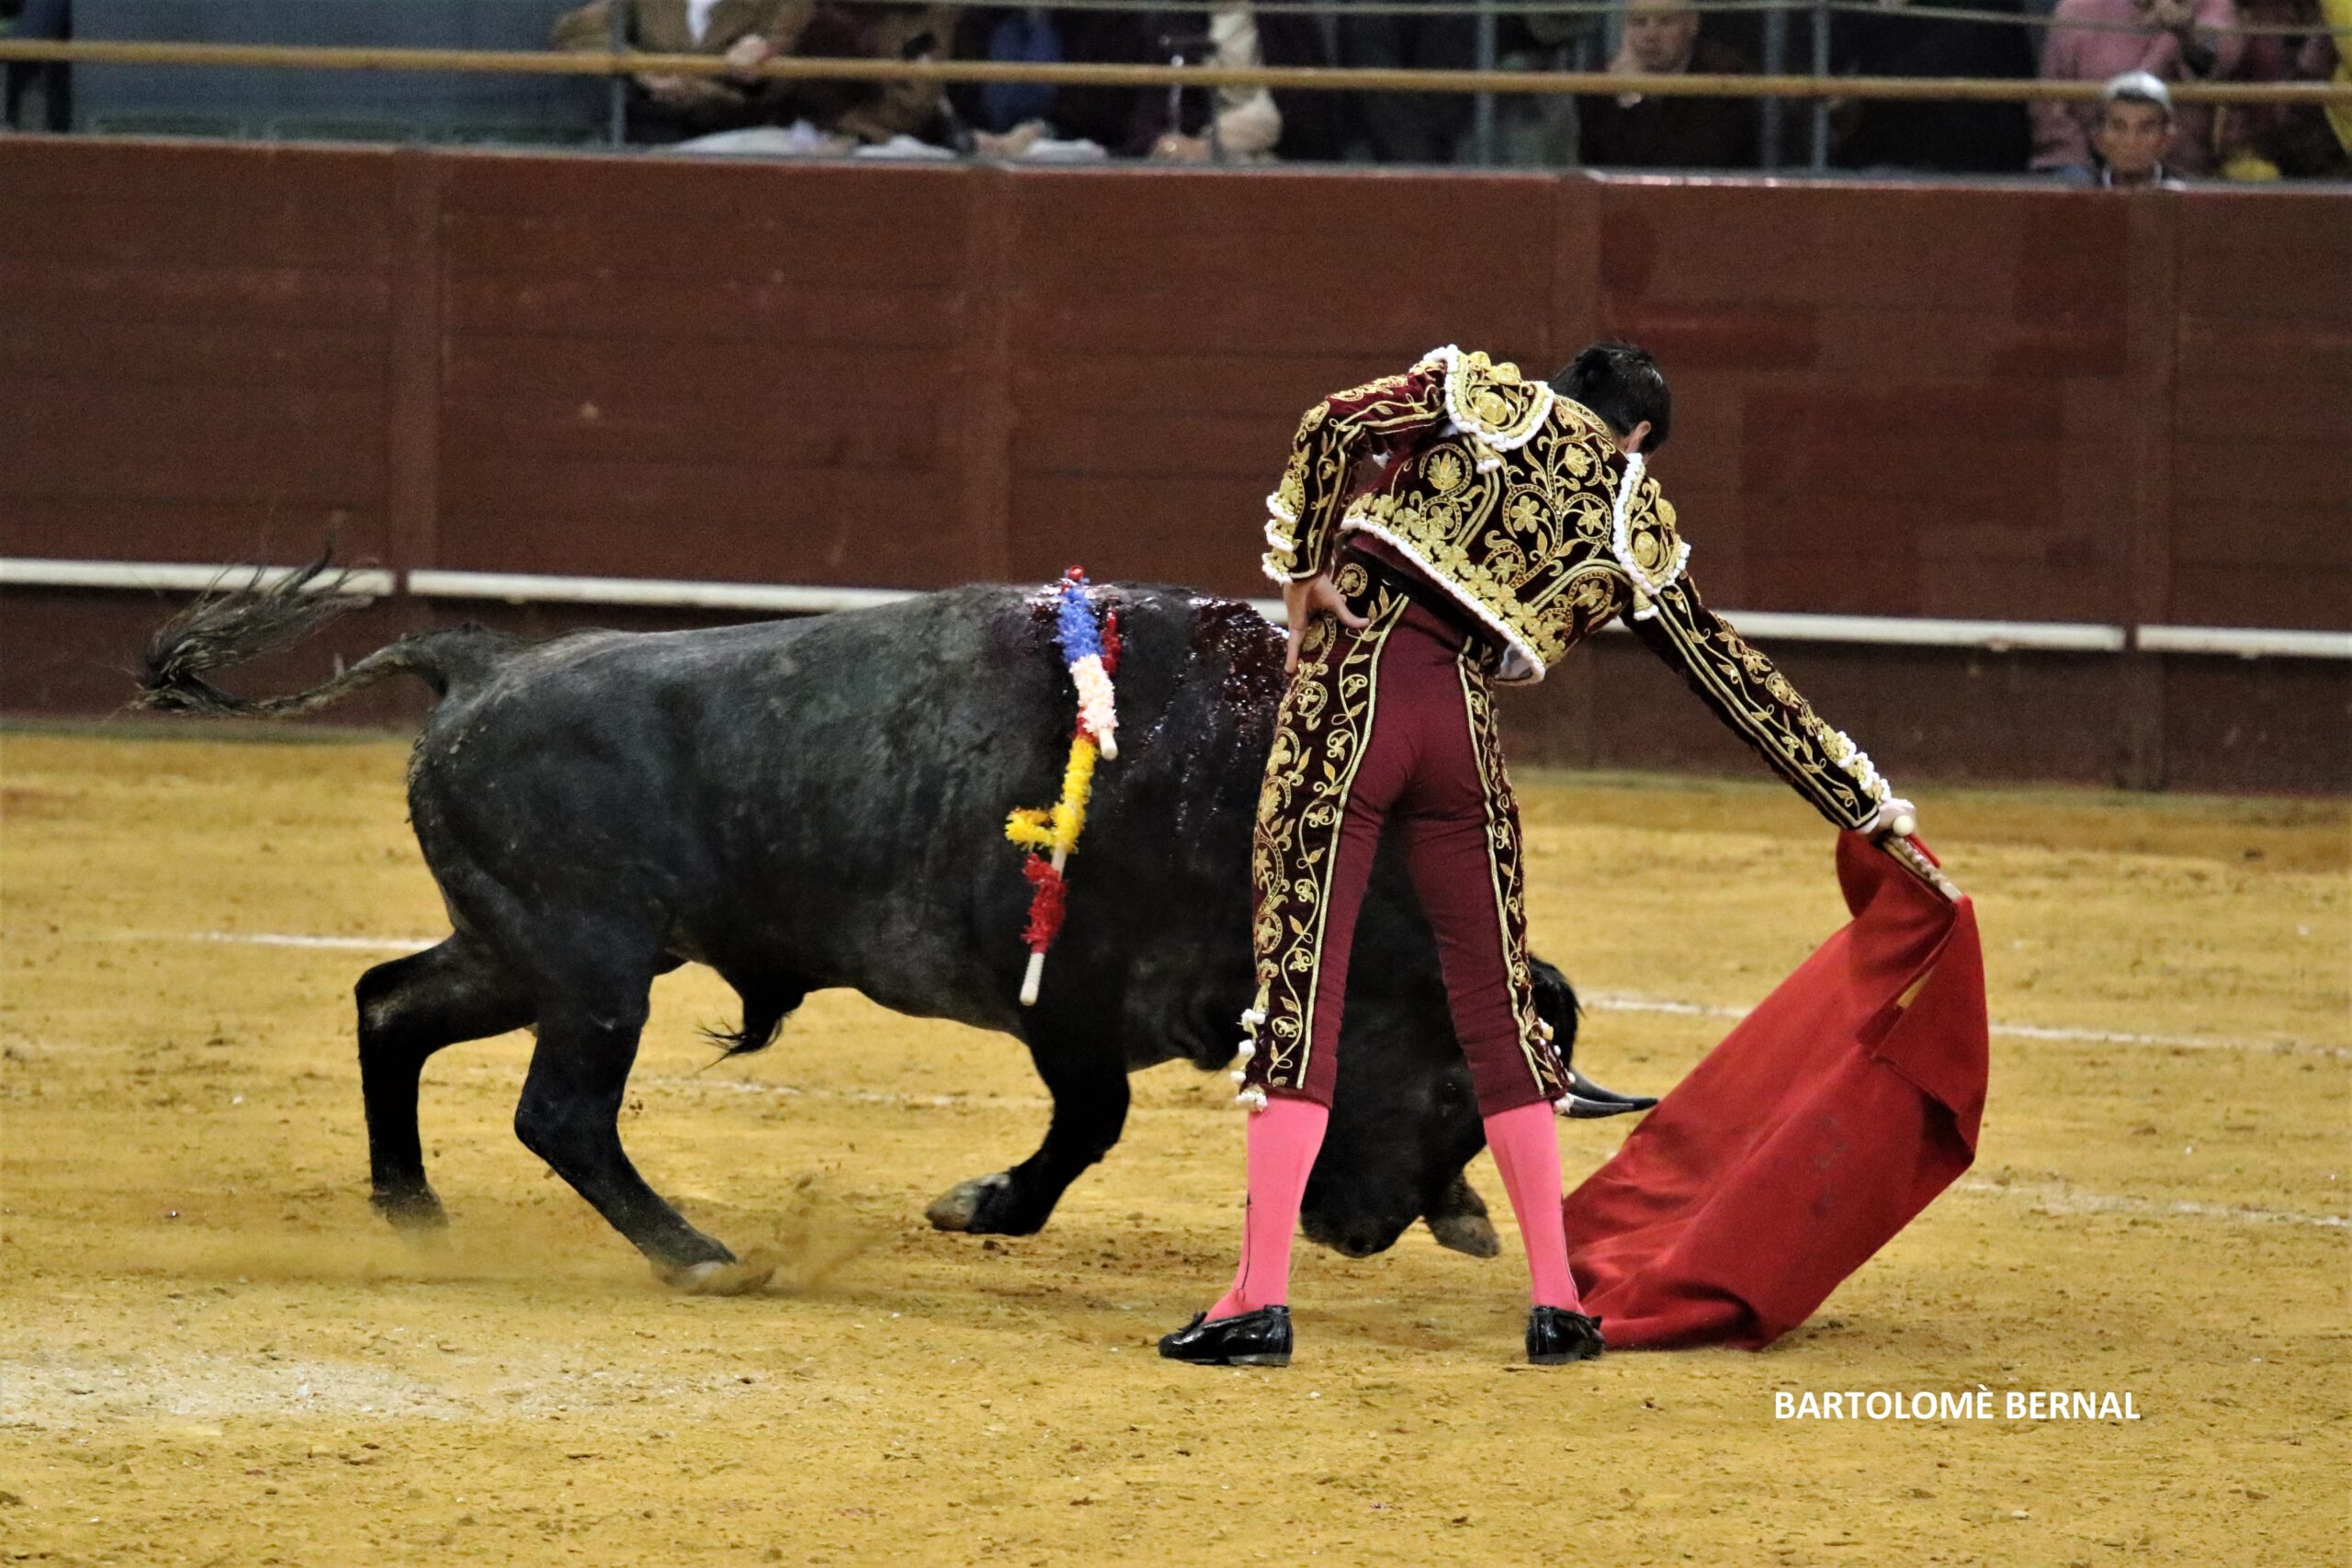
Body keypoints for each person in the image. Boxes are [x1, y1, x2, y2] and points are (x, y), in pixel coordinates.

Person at [1159, 343, 1916, 1369]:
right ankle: (1556, 1302)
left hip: (1357, 690)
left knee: (1302, 986)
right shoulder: (1630, 524)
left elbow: (1331, 422)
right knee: (1498, 1009)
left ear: (1569, 391)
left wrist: (1297, 572)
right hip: (1461, 730)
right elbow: (1731, 677)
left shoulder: (1484, 398)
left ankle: (1257, 1299)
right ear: (1639, 438)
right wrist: (1864, 803)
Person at [2032, 0, 2244, 179]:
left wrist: (2186, 34)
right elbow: (2051, 105)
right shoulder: (2076, 8)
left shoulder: (2210, 5)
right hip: (2084, 163)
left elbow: (2219, 59)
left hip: (2177, 166)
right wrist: (2085, 160)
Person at [1576, 0, 1759, 169]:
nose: (1650, 35)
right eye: (1638, 22)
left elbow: (1682, 167)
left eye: (1665, 22)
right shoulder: (1599, 84)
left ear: (1692, 24)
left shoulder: (1724, 78)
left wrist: (1634, 96)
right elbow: (1597, 170)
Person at [2090, 69, 2189, 184]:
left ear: (2167, 139)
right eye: (2118, 128)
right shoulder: (2076, 197)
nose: (2131, 142)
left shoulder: (2191, 198)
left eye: (2145, 129)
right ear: (2099, 138)